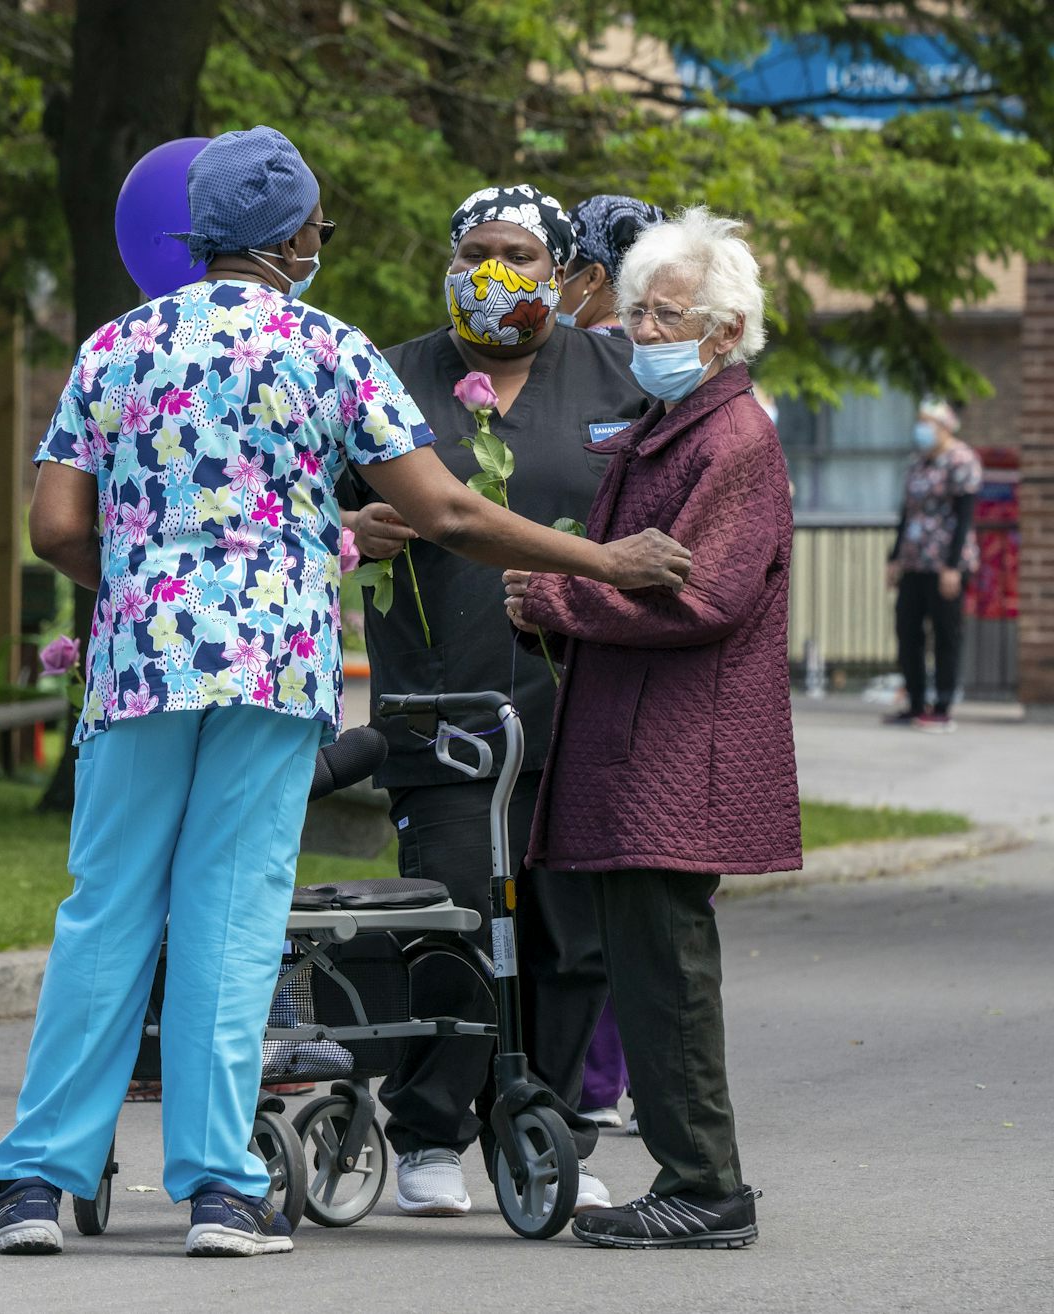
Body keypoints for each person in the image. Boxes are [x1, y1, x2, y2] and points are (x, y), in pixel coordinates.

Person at [0, 126, 691, 1259]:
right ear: (296, 235)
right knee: (230, 913)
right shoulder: (327, 350)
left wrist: (160, 579)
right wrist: (606, 561)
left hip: (139, 667)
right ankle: (218, 1189)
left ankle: (29, 1186)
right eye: (319, 225)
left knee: (106, 910)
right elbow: (450, 513)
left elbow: (57, 527)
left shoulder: (113, 348)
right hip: (267, 669)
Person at [338, 183, 651, 1220]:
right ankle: (428, 1129)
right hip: (444, 702)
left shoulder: (617, 374)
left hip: (587, 709)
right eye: (477, 249)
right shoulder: (389, 374)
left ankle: (546, 1128)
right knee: (454, 920)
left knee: (573, 937)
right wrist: (355, 530)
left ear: (562, 274)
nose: (496, 270)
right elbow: (307, 502)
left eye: (520, 253)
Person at [504, 206, 791, 1249]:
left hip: (678, 749)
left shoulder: (733, 436)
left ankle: (706, 1186)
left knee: (666, 974)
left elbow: (706, 598)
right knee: (646, 966)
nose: (642, 334)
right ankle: (692, 1178)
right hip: (641, 743)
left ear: (724, 332)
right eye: (633, 314)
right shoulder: (679, 422)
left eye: (666, 317)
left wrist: (558, 601)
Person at [565, 193, 670, 1133]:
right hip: (569, 642)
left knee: (615, 869)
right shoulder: (560, 369)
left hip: (621, 639)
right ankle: (602, 1079)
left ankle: (610, 1079)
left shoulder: (648, 380)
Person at [887, 398, 982, 733]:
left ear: (945, 426)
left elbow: (964, 517)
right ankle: (915, 701)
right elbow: (905, 513)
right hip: (914, 560)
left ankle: (942, 706)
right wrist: (893, 557)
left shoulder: (961, 460)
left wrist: (953, 567)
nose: (922, 429)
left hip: (945, 563)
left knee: (945, 634)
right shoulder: (918, 463)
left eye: (928, 422)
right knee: (907, 629)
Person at [561, 195, 666, 334]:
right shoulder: (651, 342)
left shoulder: (574, 350)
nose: (556, 286)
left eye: (562, 273)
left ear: (593, 277)